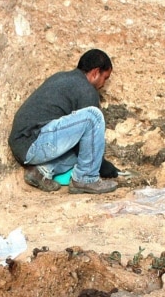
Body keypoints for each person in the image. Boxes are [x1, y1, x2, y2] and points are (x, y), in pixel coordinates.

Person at [8, 49, 118, 195]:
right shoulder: (86, 90)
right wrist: (102, 166)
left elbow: (85, 148)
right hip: (34, 141)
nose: (104, 84)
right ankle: (86, 179)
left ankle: (40, 171)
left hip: (23, 146)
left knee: (84, 150)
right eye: (105, 78)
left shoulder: (62, 77)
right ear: (95, 73)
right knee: (93, 116)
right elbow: (91, 142)